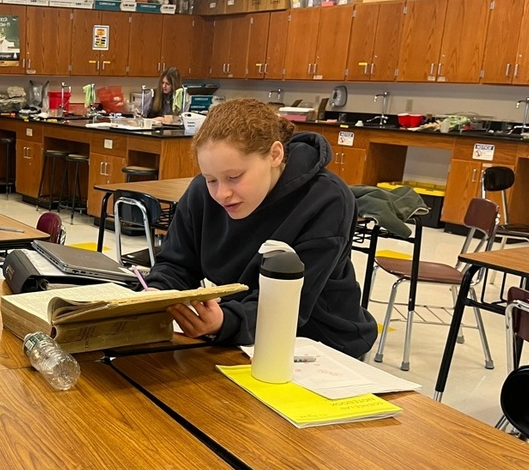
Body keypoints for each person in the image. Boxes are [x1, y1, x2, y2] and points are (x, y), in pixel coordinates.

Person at [146, 97, 377, 358]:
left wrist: (227, 322)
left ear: (275, 155)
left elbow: (291, 304)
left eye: (234, 177)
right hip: (243, 335)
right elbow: (177, 264)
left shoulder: (327, 200)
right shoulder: (202, 193)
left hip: (321, 345)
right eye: (211, 179)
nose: (222, 193)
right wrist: (154, 294)